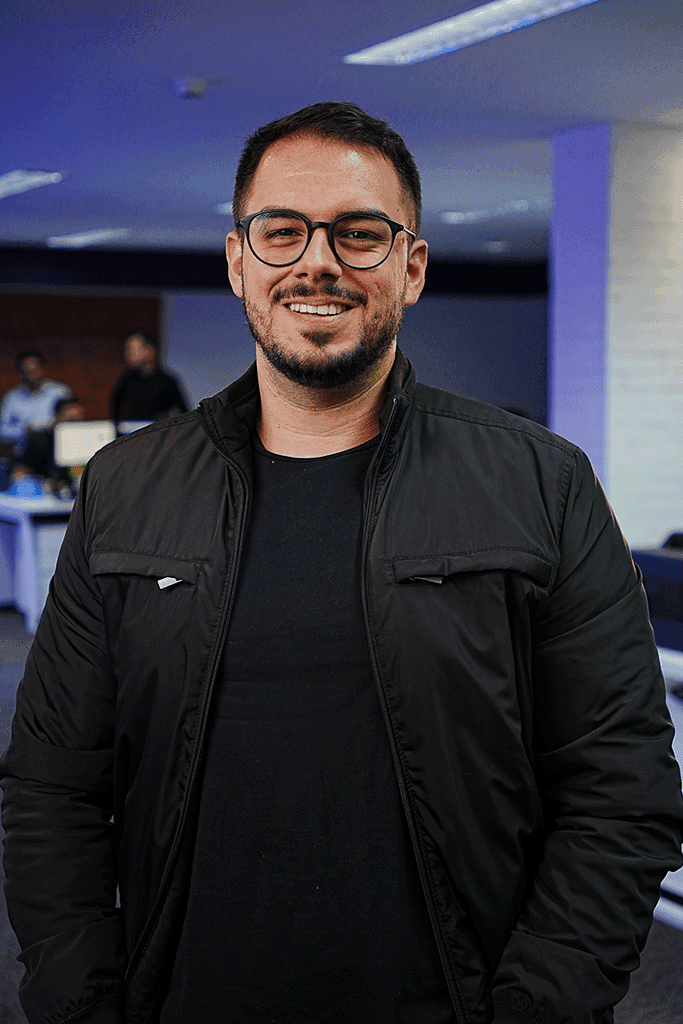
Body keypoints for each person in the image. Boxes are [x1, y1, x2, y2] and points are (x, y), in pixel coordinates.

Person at [1, 102, 682, 1024]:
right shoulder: (127, 487)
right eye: (281, 231)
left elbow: (620, 784)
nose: (316, 261)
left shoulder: (541, 484)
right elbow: (51, 784)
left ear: (412, 267)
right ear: (238, 261)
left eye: (359, 233)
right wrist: (81, 1004)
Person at [10, 396, 85, 495]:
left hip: (73, 494)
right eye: (70, 420)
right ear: (57, 418)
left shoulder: (84, 442)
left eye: (78, 420)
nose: (74, 425)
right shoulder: (41, 441)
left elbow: (78, 473)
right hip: (43, 493)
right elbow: (19, 471)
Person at [110, 331, 189, 424]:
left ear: (149, 350)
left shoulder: (166, 381)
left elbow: (184, 413)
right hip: (133, 431)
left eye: (133, 349)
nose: (128, 354)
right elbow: (115, 407)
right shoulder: (127, 381)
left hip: (159, 430)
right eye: (127, 350)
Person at [0, 350, 71, 451]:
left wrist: (54, 427)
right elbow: (2, 430)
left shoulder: (59, 392)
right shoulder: (12, 398)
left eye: (34, 371)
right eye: (27, 372)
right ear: (20, 373)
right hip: (25, 451)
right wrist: (24, 431)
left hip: (56, 448)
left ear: (42, 369)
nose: (31, 376)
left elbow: (73, 420)